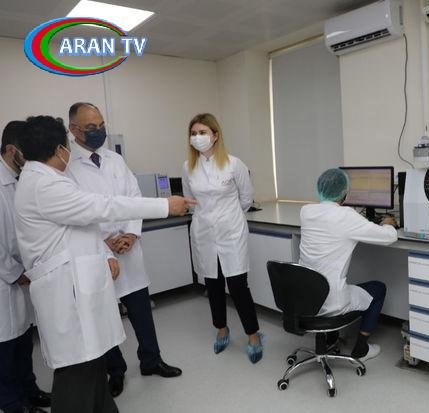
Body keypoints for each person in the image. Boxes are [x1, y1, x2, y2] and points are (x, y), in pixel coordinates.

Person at [13, 116, 194, 413]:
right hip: (68, 295)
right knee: (77, 377)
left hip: (81, 283)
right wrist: (165, 205)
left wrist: (107, 254)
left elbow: (81, 225)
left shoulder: (42, 178)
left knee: (92, 370)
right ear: (60, 148)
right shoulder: (44, 184)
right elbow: (102, 206)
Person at [65, 102, 182, 398]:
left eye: (101, 125)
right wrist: (104, 242)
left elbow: (133, 198)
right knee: (104, 316)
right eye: (91, 128)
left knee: (141, 309)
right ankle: (115, 371)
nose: (99, 131)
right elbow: (78, 212)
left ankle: (151, 361)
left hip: (128, 250)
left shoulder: (115, 160)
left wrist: (130, 234)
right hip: (97, 251)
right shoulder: (67, 166)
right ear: (74, 130)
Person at [181, 113, 264, 363]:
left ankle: (253, 335)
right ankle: (221, 328)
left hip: (231, 232)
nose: (197, 137)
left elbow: (246, 199)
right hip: (204, 233)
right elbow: (190, 201)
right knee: (213, 285)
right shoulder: (188, 167)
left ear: (215, 135)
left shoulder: (234, 164)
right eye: (193, 133)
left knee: (238, 286)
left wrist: (227, 219)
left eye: (202, 132)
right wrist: (208, 219)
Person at [299, 168, 398, 361]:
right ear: (345, 193)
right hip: (332, 302)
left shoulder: (306, 211)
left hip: (306, 298)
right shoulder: (346, 216)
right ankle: (361, 348)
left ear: (320, 189)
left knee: (333, 276)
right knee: (378, 288)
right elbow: (389, 237)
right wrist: (388, 223)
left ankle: (330, 338)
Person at [0, 121, 51, 413]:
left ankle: (30, 392)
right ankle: (11, 403)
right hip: (6, 278)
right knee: (6, 346)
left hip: (23, 274)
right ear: (11, 150)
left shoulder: (20, 180)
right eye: (26, 151)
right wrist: (14, 272)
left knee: (22, 339)